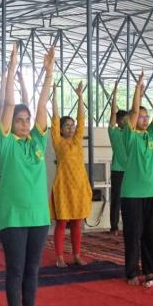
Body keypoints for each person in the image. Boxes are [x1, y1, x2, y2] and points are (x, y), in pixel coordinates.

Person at [0, 45, 55, 306]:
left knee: (32, 271)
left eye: (26, 120)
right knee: (16, 271)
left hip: (38, 216)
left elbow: (42, 106)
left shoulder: (37, 143)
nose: (23, 124)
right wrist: (11, 67)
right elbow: (8, 104)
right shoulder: (6, 144)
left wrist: (48, 72)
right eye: (19, 120)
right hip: (13, 217)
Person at [120, 70, 153, 287]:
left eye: (146, 116)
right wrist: (138, 89)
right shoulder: (129, 136)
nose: (145, 118)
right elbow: (135, 110)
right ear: (132, 118)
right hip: (132, 194)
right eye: (141, 115)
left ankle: (149, 270)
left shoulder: (152, 135)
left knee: (150, 234)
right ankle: (131, 272)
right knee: (133, 234)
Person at [49, 81, 92, 267]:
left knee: (77, 222)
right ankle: (59, 257)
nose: (71, 128)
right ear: (59, 129)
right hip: (64, 186)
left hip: (80, 185)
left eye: (72, 126)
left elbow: (82, 120)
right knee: (62, 223)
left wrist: (80, 96)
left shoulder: (76, 140)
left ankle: (76, 255)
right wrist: (54, 93)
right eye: (67, 125)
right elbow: (54, 117)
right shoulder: (58, 142)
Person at [107, 86, 128, 236]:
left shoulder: (131, 134)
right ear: (119, 121)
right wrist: (114, 96)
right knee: (116, 200)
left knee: (129, 201)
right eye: (125, 120)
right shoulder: (114, 133)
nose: (127, 122)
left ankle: (129, 225)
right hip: (118, 171)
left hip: (131, 171)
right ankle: (114, 227)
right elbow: (112, 114)